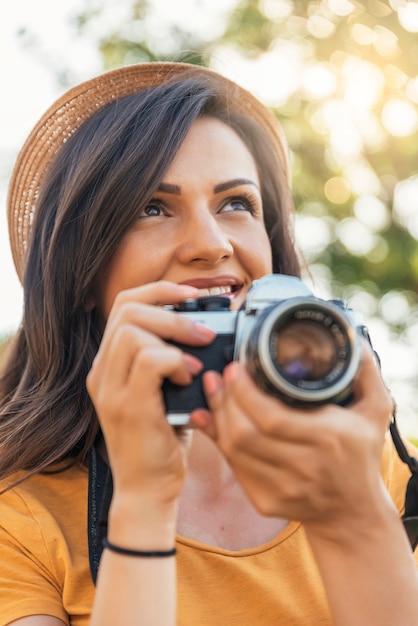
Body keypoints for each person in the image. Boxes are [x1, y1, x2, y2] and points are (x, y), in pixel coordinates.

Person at [0, 61, 417, 626]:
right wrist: (141, 508)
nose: (211, 243)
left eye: (237, 203)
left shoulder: (392, 470)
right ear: (81, 272)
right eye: (152, 208)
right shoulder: (21, 521)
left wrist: (352, 518)